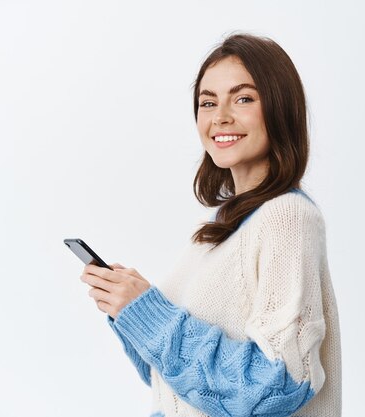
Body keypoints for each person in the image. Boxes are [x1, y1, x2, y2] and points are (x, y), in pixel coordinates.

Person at [80, 33, 342, 417]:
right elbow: (180, 383)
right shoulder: (216, 231)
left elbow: (277, 384)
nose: (220, 116)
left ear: (280, 107)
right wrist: (130, 309)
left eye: (243, 98)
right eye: (207, 102)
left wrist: (150, 316)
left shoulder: (287, 217)